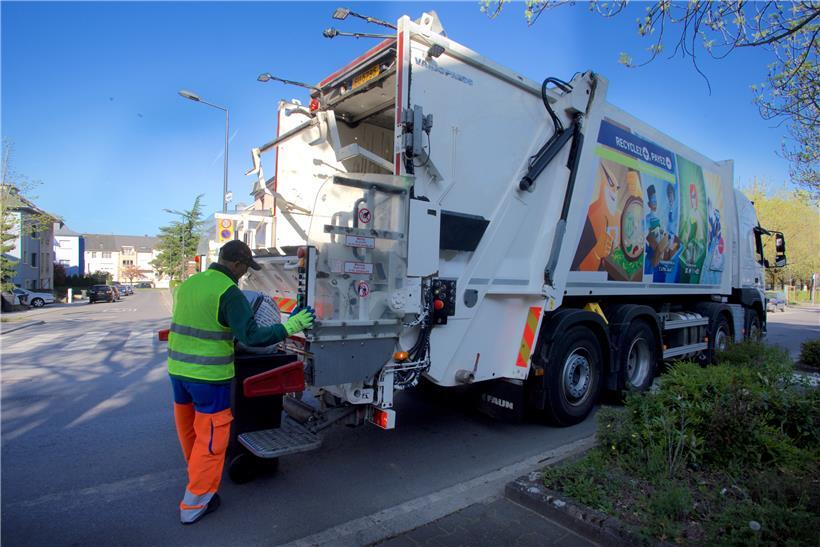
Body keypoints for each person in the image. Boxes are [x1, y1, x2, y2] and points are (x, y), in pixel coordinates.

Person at [167, 240, 315, 525]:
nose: (245, 273)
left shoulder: (189, 284)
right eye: (246, 267)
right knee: (212, 439)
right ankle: (195, 503)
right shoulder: (229, 292)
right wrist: (291, 326)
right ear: (236, 263)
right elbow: (252, 337)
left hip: (178, 372)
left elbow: (202, 323)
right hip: (208, 377)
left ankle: (197, 472)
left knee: (191, 430)